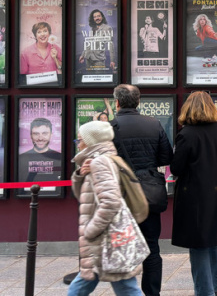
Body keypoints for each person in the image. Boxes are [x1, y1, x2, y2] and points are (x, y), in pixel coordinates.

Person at [171, 92, 217, 296]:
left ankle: (204, 291)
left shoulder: (187, 134)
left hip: (195, 197)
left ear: (188, 109)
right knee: (215, 240)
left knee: (198, 244)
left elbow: (176, 168)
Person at [109, 84, 173, 296]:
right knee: (152, 248)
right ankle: (152, 293)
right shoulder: (153, 124)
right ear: (138, 102)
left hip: (121, 195)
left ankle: (129, 292)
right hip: (148, 194)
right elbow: (166, 158)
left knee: (124, 248)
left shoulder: (111, 127)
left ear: (117, 102)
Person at [67, 120, 142, 296]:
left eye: (80, 140)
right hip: (106, 240)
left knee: (124, 287)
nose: (78, 144)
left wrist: (91, 230)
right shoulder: (97, 161)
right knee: (120, 285)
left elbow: (111, 202)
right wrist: (79, 175)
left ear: (92, 142)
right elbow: (86, 198)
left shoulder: (100, 162)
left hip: (104, 239)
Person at [19, 118, 63, 182]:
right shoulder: (21, 159)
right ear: (31, 135)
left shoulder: (60, 158)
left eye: (44, 133)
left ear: (51, 135)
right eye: (36, 134)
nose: (40, 138)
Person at [78, 9, 116, 73]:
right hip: (88, 58)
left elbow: (110, 44)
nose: (97, 18)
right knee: (90, 79)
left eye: (98, 16)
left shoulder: (107, 28)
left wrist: (112, 60)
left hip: (99, 59)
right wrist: (83, 55)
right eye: (95, 17)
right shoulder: (92, 29)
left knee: (100, 78)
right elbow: (89, 44)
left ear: (102, 17)